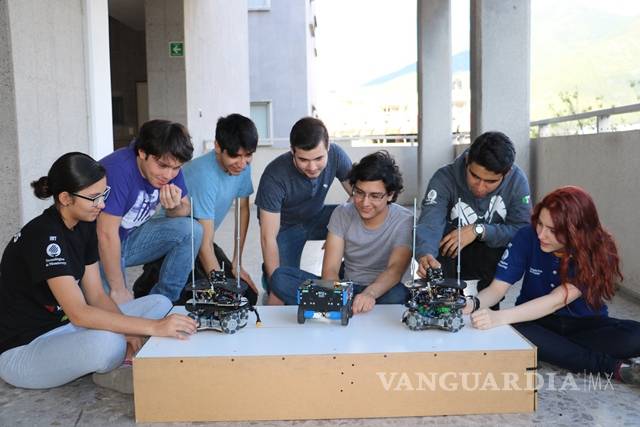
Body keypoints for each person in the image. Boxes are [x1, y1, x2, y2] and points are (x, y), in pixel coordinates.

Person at [0, 153, 197, 393]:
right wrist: (152, 327)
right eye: (93, 198)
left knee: (160, 303)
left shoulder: (83, 225)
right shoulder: (45, 237)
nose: (102, 204)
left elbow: (96, 296)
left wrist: (130, 330)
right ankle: (112, 368)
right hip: (25, 349)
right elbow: (80, 313)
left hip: (65, 329)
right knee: (108, 343)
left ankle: (119, 357)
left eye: (104, 194)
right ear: (65, 198)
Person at [464, 186, 640, 384]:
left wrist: (499, 317)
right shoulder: (526, 236)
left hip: (587, 325)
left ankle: (559, 350)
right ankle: (613, 368)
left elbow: (556, 300)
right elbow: (497, 289)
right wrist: (471, 304)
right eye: (540, 224)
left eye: (553, 230)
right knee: (515, 330)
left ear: (577, 231)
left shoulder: (598, 249)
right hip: (535, 321)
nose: (541, 235)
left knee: (635, 336)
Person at [270, 151, 412, 312]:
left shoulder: (404, 220)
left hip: (382, 291)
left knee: (398, 294)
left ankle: (336, 308)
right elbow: (330, 269)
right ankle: (346, 307)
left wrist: (369, 294)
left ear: (390, 195)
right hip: (346, 287)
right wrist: (337, 295)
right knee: (280, 278)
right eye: (359, 192)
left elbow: (395, 269)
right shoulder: (342, 213)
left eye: (375, 196)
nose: (365, 202)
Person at [415, 131, 531, 306]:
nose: (480, 187)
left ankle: (490, 305)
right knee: (442, 239)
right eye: (475, 176)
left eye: (490, 181)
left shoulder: (517, 181)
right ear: (467, 160)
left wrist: (479, 230)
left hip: (492, 256)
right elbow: (430, 222)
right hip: (451, 255)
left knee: (504, 245)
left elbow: (522, 230)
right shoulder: (444, 177)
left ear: (506, 173)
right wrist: (426, 254)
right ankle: (447, 300)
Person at [98, 120, 202, 304]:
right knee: (115, 310)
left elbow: (186, 207)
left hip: (130, 236)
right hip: (96, 245)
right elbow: (105, 234)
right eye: (162, 166)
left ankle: (163, 302)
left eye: (176, 167)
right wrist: (118, 289)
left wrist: (174, 207)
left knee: (192, 230)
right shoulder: (118, 170)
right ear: (142, 152)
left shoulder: (170, 165)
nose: (168, 175)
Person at [256, 117, 352, 304]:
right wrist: (277, 287)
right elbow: (268, 238)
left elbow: (359, 194)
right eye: (303, 160)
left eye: (319, 158)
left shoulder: (337, 155)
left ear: (328, 147)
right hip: (285, 228)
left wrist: (337, 231)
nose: (312, 167)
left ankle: (345, 273)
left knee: (362, 214)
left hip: (319, 216)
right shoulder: (274, 176)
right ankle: (268, 276)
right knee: (281, 288)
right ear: (292, 151)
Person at [181, 114, 259, 303]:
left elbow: (243, 208)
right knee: (204, 299)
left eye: (248, 155)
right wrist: (222, 290)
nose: (242, 163)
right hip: (178, 244)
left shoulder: (242, 167)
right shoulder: (203, 175)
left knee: (247, 295)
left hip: (201, 241)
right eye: (235, 156)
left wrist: (237, 262)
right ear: (217, 146)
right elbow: (203, 245)